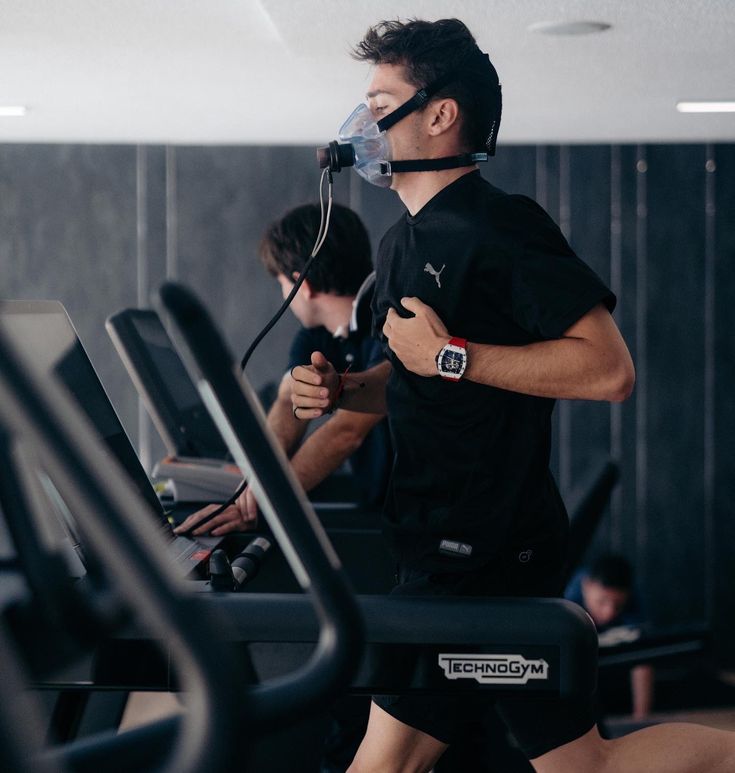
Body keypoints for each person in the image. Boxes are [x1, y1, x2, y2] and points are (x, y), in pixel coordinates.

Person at [290, 17, 735, 773]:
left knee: (384, 762)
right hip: (441, 541)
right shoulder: (401, 242)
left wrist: (452, 354)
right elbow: (412, 381)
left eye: (378, 100)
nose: (360, 121)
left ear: (438, 114)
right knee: (579, 764)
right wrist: (345, 386)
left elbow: (606, 370)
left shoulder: (501, 225)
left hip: (479, 552)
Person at [175, 202, 390, 537]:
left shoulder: (387, 312)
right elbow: (289, 401)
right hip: (379, 506)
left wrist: (270, 497)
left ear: (301, 285)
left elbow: (347, 431)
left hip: (420, 519)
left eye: (281, 284)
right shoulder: (317, 333)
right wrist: (256, 484)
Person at [566, 553, 654, 720]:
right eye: (601, 602)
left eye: (618, 605)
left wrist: (640, 720)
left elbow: (643, 657)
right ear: (586, 586)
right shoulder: (566, 599)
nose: (609, 613)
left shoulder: (635, 599)